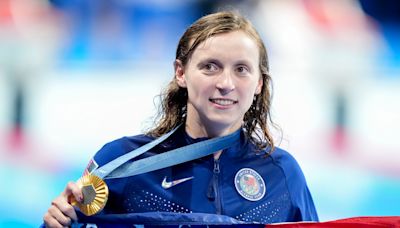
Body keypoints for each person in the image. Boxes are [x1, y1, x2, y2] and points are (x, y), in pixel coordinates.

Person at [43, 11, 318, 227]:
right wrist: (59, 222)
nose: (226, 83)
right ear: (181, 73)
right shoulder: (122, 165)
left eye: (241, 69)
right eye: (210, 66)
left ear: (258, 82)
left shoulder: (282, 174)